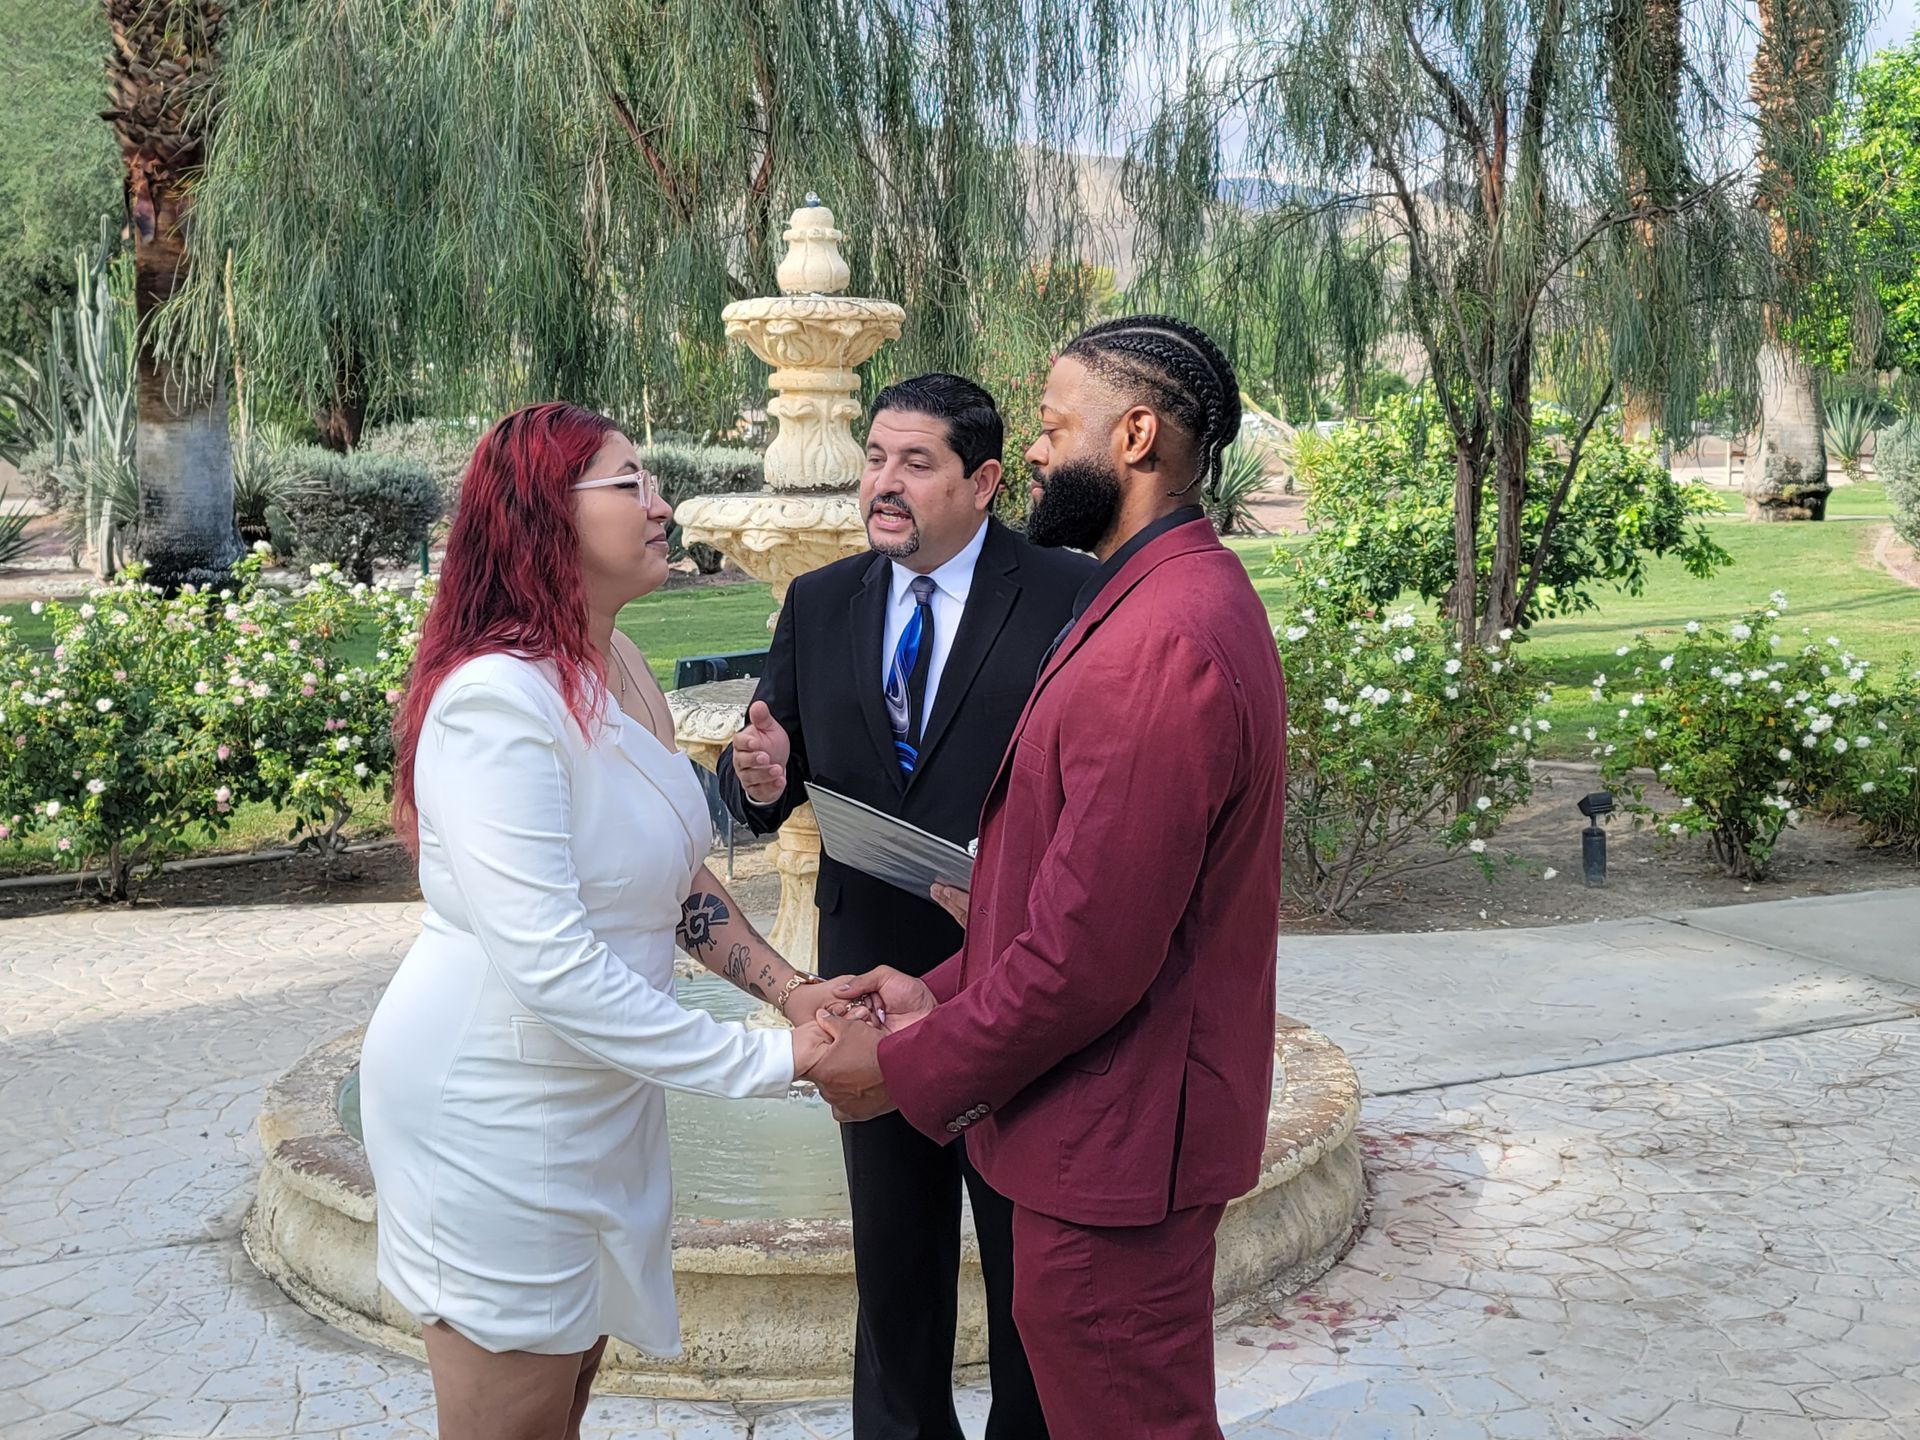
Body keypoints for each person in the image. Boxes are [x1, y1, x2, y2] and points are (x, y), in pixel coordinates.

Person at [809, 317, 1288, 1440]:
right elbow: (1083, 896)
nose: (1031, 449)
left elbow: (1088, 958)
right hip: (1107, 1124)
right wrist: (945, 987)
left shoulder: (1162, 639)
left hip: (1119, 1138)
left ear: (1134, 437)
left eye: (1053, 425)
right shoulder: (1150, 598)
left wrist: (907, 1065)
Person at [359, 402, 839, 1440]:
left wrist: (794, 992)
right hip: (496, 1108)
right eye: (629, 485)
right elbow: (553, 965)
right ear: (544, 513)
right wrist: (772, 1061)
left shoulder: (613, 668)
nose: (661, 506)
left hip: (601, 1094)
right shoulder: (496, 703)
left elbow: (669, 884)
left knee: (566, 1391)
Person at [716, 374, 1093, 1440]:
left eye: (915, 463)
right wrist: (755, 776)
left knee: (1026, 1269)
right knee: (892, 1264)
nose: (884, 482)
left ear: (983, 481)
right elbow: (768, 781)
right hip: (865, 990)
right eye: (875, 458)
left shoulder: (1068, 591)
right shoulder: (819, 600)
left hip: (1013, 985)